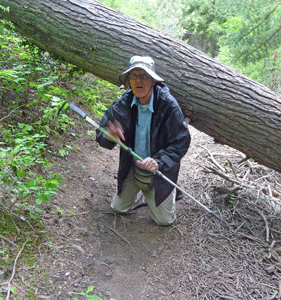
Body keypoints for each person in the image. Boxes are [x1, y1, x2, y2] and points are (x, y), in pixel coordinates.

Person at [96, 56, 191, 225]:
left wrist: (159, 161)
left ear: (153, 81)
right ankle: (142, 195)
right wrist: (108, 136)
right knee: (117, 207)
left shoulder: (168, 105)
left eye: (144, 76)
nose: (139, 81)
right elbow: (101, 135)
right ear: (128, 81)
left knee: (164, 220)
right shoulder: (122, 105)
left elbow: (181, 141)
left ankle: (168, 191)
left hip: (159, 172)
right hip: (134, 169)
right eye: (134, 76)